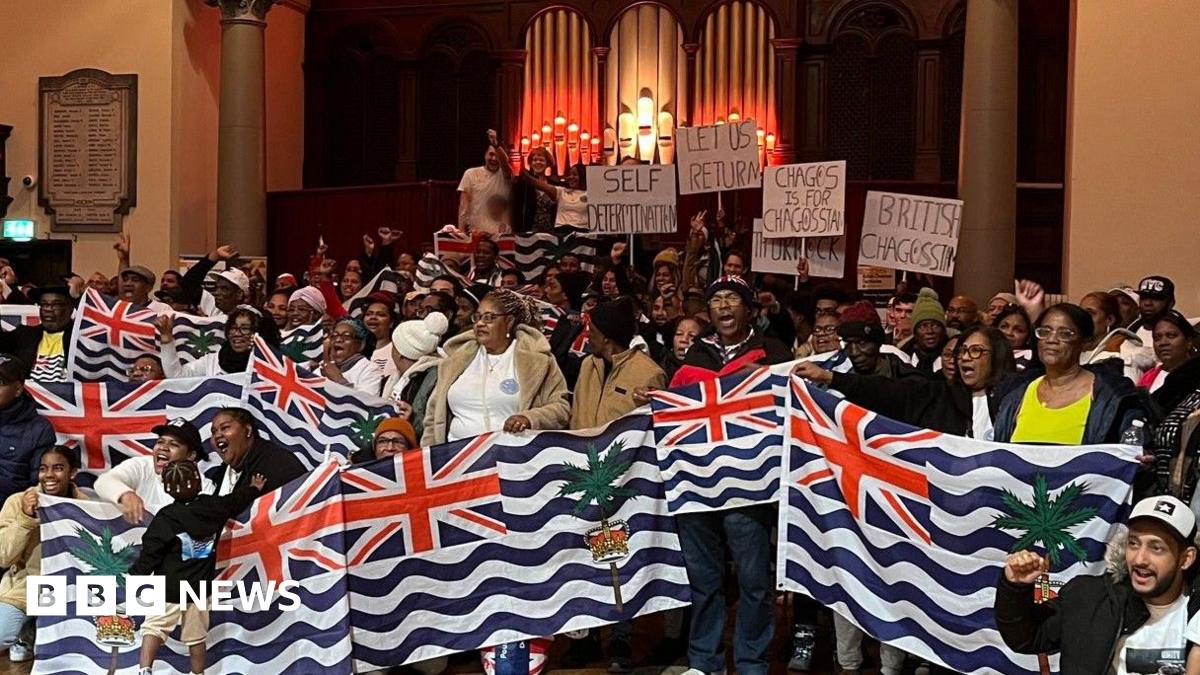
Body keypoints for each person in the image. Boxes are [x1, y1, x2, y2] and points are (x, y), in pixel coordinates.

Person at [665, 276, 793, 675]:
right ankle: (705, 662)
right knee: (704, 578)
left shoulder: (773, 352)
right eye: (716, 299)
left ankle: (752, 662)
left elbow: (792, 405)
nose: (723, 305)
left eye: (732, 299)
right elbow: (674, 408)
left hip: (750, 485)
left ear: (749, 309)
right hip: (696, 483)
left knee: (754, 580)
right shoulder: (695, 355)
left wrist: (768, 380)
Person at [996, 495, 1199, 675]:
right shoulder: (1088, 596)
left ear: (1186, 558)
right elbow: (1028, 638)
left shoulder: (1196, 611)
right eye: (1134, 543)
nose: (1139, 559)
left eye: (1156, 548)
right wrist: (1015, 587)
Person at [131, 460, 266, 675]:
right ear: (198, 481)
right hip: (199, 589)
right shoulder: (214, 507)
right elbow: (236, 500)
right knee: (196, 637)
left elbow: (151, 552)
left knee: (153, 628)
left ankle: (145, 670)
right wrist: (254, 488)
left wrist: (136, 575)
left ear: (167, 488)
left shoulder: (166, 518)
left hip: (169, 588)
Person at [796, 326, 1016, 440]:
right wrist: (829, 377)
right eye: (962, 351)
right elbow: (885, 390)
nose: (965, 358)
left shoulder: (1015, 400)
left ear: (996, 356)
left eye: (976, 351)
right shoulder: (936, 395)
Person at [421, 288, 569, 445]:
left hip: (515, 454)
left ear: (509, 321)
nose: (480, 323)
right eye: (477, 317)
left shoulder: (537, 360)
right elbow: (432, 415)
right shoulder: (455, 359)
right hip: (459, 455)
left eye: (489, 318)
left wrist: (529, 418)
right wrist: (429, 452)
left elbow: (561, 409)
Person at [994, 303, 1147, 445]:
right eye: (1045, 332)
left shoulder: (1112, 395)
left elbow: (1133, 448)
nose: (1051, 340)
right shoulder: (1015, 396)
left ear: (1085, 342)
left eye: (1065, 334)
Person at [0, 445, 84, 662]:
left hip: (71, 590)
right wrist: (26, 518)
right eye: (43, 468)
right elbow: (3, 557)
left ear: (73, 472)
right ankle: (26, 630)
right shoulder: (18, 501)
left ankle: (32, 634)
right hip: (27, 587)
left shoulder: (87, 505)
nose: (49, 475)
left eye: (58, 468)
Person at [570, 297, 666, 430]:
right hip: (580, 442)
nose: (587, 336)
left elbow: (654, 427)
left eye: (591, 331)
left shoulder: (650, 374)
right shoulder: (588, 365)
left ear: (606, 338)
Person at [95, 418, 216, 524]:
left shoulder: (205, 489)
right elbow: (103, 482)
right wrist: (126, 495)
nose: (163, 447)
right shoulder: (143, 466)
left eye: (173, 444)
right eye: (160, 442)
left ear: (190, 455)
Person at [157, 306, 281, 377]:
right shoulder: (213, 360)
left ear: (259, 332)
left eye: (245, 328)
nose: (237, 334)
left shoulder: (272, 364)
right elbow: (176, 376)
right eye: (233, 328)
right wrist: (166, 338)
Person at [207, 408, 306, 496]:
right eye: (213, 432)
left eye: (225, 428)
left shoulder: (278, 462)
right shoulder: (219, 475)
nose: (217, 435)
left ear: (248, 430)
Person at [384, 313, 450, 440]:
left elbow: (436, 424)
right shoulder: (395, 379)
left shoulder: (436, 378)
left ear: (399, 354)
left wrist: (411, 419)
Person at [0, 355, 55, 504]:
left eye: (0, 383)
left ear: (18, 389)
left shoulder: (40, 430)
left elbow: (40, 486)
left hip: (13, 510)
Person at [0, 286, 74, 383]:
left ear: (70, 309)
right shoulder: (24, 335)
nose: (48, 309)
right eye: (44, 304)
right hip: (27, 392)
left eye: (56, 304)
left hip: (67, 392)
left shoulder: (80, 337)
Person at [457, 130, 511, 236]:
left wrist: (496, 144)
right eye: (491, 154)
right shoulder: (470, 174)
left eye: (497, 156)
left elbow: (505, 163)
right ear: (485, 155)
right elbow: (463, 207)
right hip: (476, 233)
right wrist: (461, 232)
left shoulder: (505, 175)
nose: (494, 159)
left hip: (500, 235)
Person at [319, 317, 385, 396]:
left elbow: (366, 402)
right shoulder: (322, 368)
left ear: (361, 345)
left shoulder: (370, 370)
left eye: (346, 336)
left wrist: (339, 380)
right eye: (334, 335)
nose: (338, 339)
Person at [1140, 311, 1198, 393]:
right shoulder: (1147, 378)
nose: (1163, 342)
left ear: (1189, 341)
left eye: (1171, 335)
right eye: (1157, 338)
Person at [903, 288, 949, 373]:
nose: (929, 331)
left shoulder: (953, 359)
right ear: (915, 331)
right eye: (923, 326)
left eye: (935, 325)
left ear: (943, 330)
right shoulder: (902, 357)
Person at [350, 417, 419, 464]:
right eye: (382, 441)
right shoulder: (356, 474)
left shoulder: (423, 474)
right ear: (374, 449)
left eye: (397, 442)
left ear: (410, 448)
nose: (390, 448)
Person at [361, 293, 399, 379]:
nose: (373, 317)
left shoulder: (396, 351)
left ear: (391, 322)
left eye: (381, 314)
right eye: (369, 314)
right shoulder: (355, 349)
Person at [1131, 276, 1177, 346]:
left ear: (1170, 303)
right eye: (1144, 297)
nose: (1148, 303)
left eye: (1155, 298)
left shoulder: (1182, 334)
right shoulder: (1128, 332)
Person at [995, 304, 1034, 371]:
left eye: (1018, 330)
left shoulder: (1028, 360)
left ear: (1028, 336)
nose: (1009, 333)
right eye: (1004, 326)